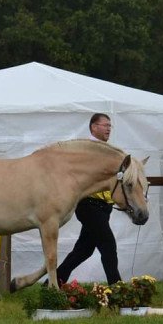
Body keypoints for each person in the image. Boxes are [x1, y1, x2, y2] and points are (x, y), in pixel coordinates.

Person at [53, 113, 122, 286]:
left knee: (83, 250)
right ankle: (117, 289)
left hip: (104, 206)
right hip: (89, 204)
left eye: (110, 126)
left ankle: (53, 283)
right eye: (105, 125)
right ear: (93, 127)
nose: (108, 128)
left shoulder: (107, 150)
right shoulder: (86, 149)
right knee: (108, 245)